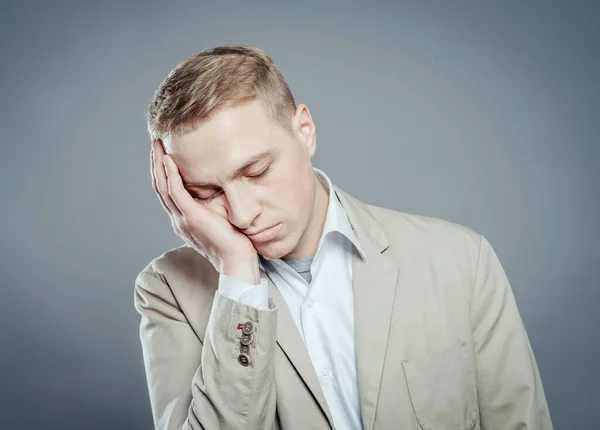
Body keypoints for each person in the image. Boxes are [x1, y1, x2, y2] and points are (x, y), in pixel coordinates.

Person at [134, 44, 553, 430]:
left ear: (305, 130)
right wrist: (238, 278)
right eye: (206, 194)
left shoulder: (462, 260)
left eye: (257, 172)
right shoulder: (169, 291)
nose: (243, 214)